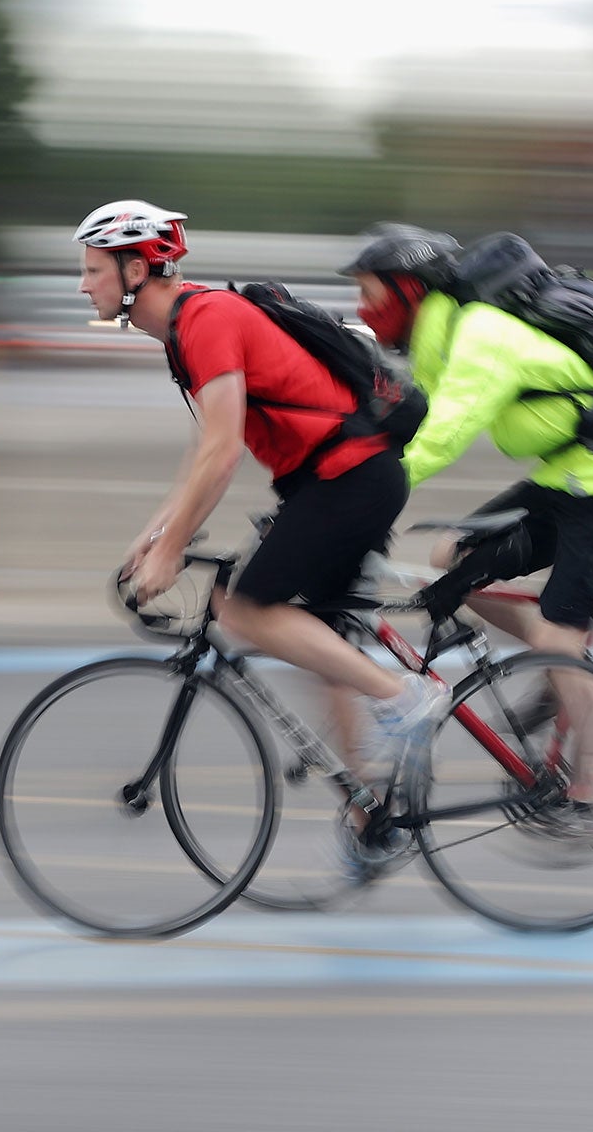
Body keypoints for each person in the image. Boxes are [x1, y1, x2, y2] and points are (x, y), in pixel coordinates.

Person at [74, 201, 446, 867]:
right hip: (328, 482)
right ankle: (370, 814)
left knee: (247, 611)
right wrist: (156, 532)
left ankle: (406, 697)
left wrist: (169, 550)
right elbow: (206, 448)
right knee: (323, 643)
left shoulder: (206, 320)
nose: (83, 285)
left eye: (93, 269)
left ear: (136, 268)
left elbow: (222, 455)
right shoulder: (184, 332)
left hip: (351, 478)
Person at [342, 222, 593, 670]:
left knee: (558, 638)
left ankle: (569, 673)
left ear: (407, 291)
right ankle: (563, 661)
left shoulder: (481, 336)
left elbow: (445, 434)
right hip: (566, 477)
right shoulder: (438, 346)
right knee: (454, 555)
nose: (363, 309)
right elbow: (412, 422)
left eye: (370, 293)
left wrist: (360, 491)